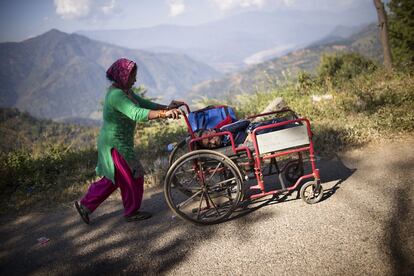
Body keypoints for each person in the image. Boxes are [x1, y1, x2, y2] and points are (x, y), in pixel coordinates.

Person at [75, 58, 183, 224]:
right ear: (123, 76)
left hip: (117, 143)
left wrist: (167, 108)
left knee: (115, 178)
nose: (135, 80)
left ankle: (85, 206)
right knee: (133, 176)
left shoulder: (125, 91)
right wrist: (164, 114)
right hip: (115, 144)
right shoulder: (116, 95)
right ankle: (131, 212)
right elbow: (136, 113)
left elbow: (143, 103)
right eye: (132, 76)